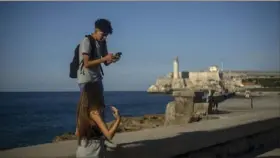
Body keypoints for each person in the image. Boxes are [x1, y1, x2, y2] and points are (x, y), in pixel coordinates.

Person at [75, 19, 120, 149]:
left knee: (100, 108)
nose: (104, 37)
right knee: (88, 110)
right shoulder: (87, 41)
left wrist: (112, 59)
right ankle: (83, 139)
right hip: (86, 80)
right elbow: (87, 63)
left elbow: (105, 62)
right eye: (103, 34)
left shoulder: (102, 42)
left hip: (97, 79)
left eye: (106, 35)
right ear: (97, 30)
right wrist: (104, 59)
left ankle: (102, 137)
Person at [76, 82, 121, 158]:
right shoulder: (94, 113)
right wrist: (118, 119)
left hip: (82, 150)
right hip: (93, 152)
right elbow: (109, 136)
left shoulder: (81, 110)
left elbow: (77, 133)